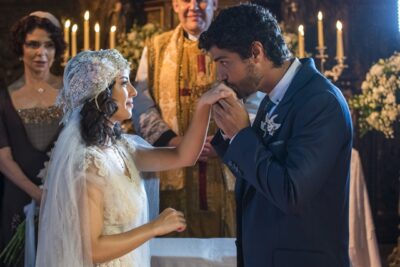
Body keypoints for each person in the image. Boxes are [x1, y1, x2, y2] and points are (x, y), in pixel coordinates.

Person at [35, 49, 233, 266]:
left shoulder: (122, 147)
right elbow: (91, 249)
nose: (133, 92)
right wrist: (155, 227)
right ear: (100, 94)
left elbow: (183, 156)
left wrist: (203, 107)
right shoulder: (88, 163)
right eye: (123, 83)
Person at [199, 4, 353, 267]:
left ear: (256, 52)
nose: (220, 75)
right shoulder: (272, 98)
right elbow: (259, 174)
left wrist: (241, 134)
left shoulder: (320, 101)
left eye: (224, 62)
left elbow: (291, 193)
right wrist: (229, 136)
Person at [132, 0, 236, 237]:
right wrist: (175, 142)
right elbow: (140, 102)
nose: (193, 6)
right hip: (171, 160)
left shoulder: (234, 45)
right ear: (175, 4)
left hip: (224, 162)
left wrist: (225, 144)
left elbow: (254, 97)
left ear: (214, 4)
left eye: (202, 0)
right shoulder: (156, 47)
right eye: (186, 0)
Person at [0, 11, 65, 266]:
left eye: (49, 45)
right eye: (33, 44)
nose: (42, 52)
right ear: (20, 48)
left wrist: (57, 195)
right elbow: (3, 159)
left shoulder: (72, 93)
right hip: (18, 197)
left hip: (64, 197)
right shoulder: (4, 98)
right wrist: (38, 195)